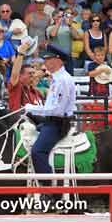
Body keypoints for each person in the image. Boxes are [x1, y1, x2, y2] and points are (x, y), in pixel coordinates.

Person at [25, 44, 76, 180]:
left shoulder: (63, 81)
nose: (45, 62)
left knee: (37, 151)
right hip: (52, 121)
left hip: (57, 123)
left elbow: (57, 110)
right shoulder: (57, 79)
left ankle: (50, 190)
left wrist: (31, 108)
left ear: (58, 60)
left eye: (48, 59)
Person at [8, 40, 43, 111]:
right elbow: (15, 74)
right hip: (19, 120)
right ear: (20, 76)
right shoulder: (17, 87)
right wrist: (21, 53)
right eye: (30, 74)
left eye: (33, 73)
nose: (33, 75)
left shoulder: (37, 93)